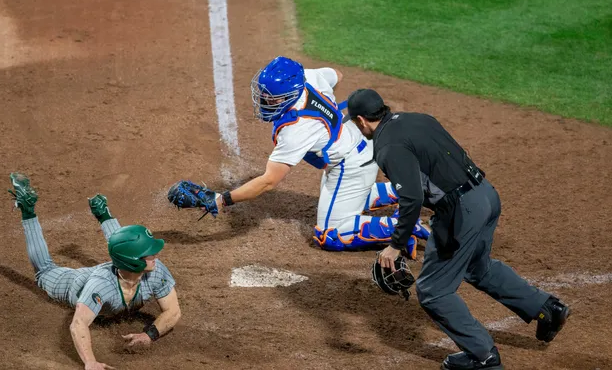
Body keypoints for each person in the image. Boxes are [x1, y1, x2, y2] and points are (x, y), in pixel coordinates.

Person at [344, 89, 570, 370]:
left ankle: (482, 357)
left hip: (462, 211)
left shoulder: (388, 146)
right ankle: (546, 308)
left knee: (433, 291)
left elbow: (412, 198)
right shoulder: (418, 118)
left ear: (362, 121)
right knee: (478, 267)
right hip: (485, 195)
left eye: (355, 123)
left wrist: (396, 244)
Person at [216, 56, 430, 256]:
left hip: (351, 166)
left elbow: (268, 181)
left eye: (273, 99)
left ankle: (404, 226)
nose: (265, 101)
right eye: (265, 95)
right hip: (360, 138)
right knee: (347, 194)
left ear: (291, 94)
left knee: (330, 234)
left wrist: (224, 200)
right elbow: (337, 74)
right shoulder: (308, 77)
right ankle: (409, 189)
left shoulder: (296, 131)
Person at [8, 172, 181, 370]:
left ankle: (103, 214)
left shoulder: (156, 271)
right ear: (134, 262)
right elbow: (78, 324)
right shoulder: (100, 285)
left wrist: (149, 335)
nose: (156, 255)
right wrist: (90, 362)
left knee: (123, 244)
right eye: (149, 254)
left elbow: (173, 311)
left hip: (119, 270)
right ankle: (27, 210)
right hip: (75, 283)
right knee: (44, 271)